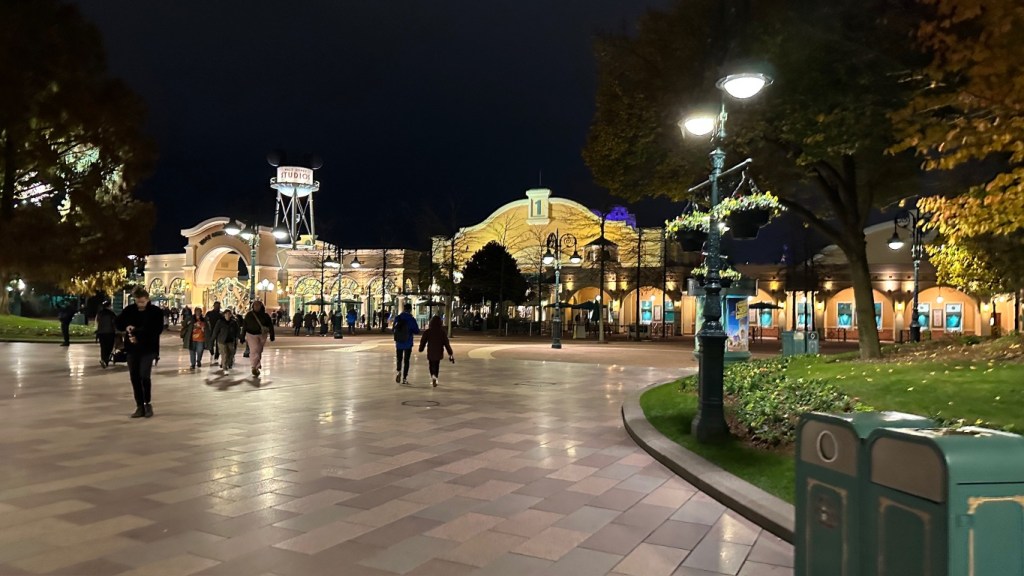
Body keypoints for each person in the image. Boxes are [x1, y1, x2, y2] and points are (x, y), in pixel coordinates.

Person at [115, 287, 164, 418]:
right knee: (134, 377)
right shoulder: (129, 310)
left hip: (148, 348)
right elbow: (118, 322)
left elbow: (156, 329)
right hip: (132, 349)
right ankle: (139, 406)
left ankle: (147, 403)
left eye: (142, 302)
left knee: (144, 376)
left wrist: (136, 331)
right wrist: (126, 326)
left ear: (147, 299)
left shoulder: (156, 312)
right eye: (138, 302)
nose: (140, 304)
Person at [418, 315, 454, 388]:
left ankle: (433, 376)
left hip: (430, 351)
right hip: (439, 351)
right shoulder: (442, 332)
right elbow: (447, 344)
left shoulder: (428, 331)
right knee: (437, 365)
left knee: (431, 364)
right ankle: (436, 377)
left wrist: (421, 348)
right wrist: (450, 353)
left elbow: (423, 341)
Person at [243, 300, 275, 377]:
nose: (256, 307)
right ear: (252, 306)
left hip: (262, 335)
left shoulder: (265, 315)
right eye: (255, 305)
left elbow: (270, 325)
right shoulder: (249, 315)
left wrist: (272, 335)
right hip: (251, 334)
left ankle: (257, 366)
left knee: (259, 351)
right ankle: (254, 366)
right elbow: (244, 325)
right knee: (254, 350)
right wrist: (242, 335)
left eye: (258, 305)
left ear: (261, 306)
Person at [392, 303, 420, 384]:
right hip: (408, 342)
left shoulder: (398, 317)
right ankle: (404, 378)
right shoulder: (411, 319)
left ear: (404, 309)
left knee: (399, 358)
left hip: (399, 342)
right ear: (410, 309)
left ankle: (398, 371)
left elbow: (393, 329)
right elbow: (416, 330)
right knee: (406, 360)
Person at [96, 300, 117, 368]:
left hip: (101, 333)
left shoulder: (99, 313)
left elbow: (97, 322)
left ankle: (103, 359)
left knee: (103, 347)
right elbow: (115, 322)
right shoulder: (111, 313)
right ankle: (106, 360)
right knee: (109, 347)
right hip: (110, 332)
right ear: (109, 306)